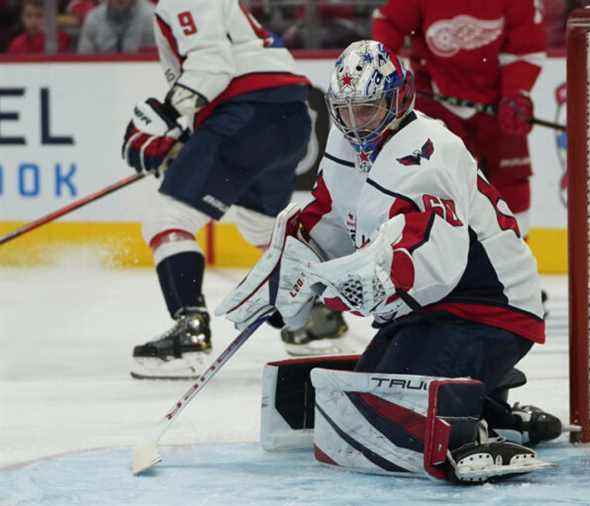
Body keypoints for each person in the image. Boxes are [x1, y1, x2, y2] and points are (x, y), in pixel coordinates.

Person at [216, 40, 561, 475]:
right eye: (344, 110)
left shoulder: (427, 151)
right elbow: (328, 219)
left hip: (488, 312)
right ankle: (496, 408)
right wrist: (287, 270)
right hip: (427, 314)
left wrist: (348, 287)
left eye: (367, 109)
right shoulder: (346, 144)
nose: (355, 124)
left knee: (388, 418)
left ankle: (476, 433)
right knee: (365, 395)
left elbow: (432, 266)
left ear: (397, 99)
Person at [121, 0, 318, 379]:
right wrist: (185, 141)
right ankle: (311, 321)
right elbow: (228, 69)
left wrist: (166, 118)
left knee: (168, 218)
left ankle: (189, 334)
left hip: (247, 112)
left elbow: (212, 66)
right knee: (260, 228)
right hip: (287, 114)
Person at [371, 0, 546, 237]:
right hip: (436, 100)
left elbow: (526, 47)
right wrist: (385, 73)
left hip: (497, 102)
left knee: (510, 180)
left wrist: (516, 92)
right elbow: (389, 25)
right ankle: (429, 246)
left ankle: (517, 248)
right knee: (430, 179)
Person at [77, 0, 154, 54]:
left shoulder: (150, 17)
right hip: (101, 71)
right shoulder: (94, 17)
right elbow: (84, 58)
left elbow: (154, 60)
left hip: (139, 72)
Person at [7, 0, 71, 54]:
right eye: (29, 16)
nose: (33, 21)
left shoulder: (59, 38)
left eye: (39, 16)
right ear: (22, 18)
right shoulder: (17, 43)